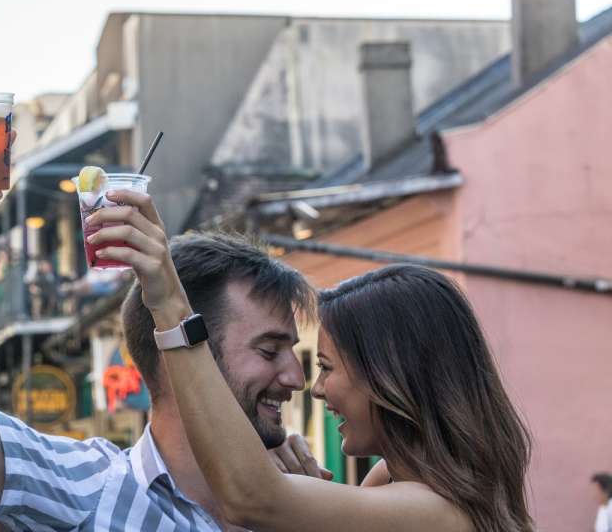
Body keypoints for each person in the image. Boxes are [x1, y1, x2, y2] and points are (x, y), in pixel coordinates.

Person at [0, 109, 327, 531]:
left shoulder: (304, 501)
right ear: (178, 358)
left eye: (291, 350)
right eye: (269, 350)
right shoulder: (93, 490)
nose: (296, 377)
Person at [124, 197, 535, 531]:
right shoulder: (391, 480)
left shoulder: (441, 513)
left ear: (388, 376)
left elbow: (252, 499)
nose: (313, 387)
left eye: (327, 367)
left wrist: (172, 309)